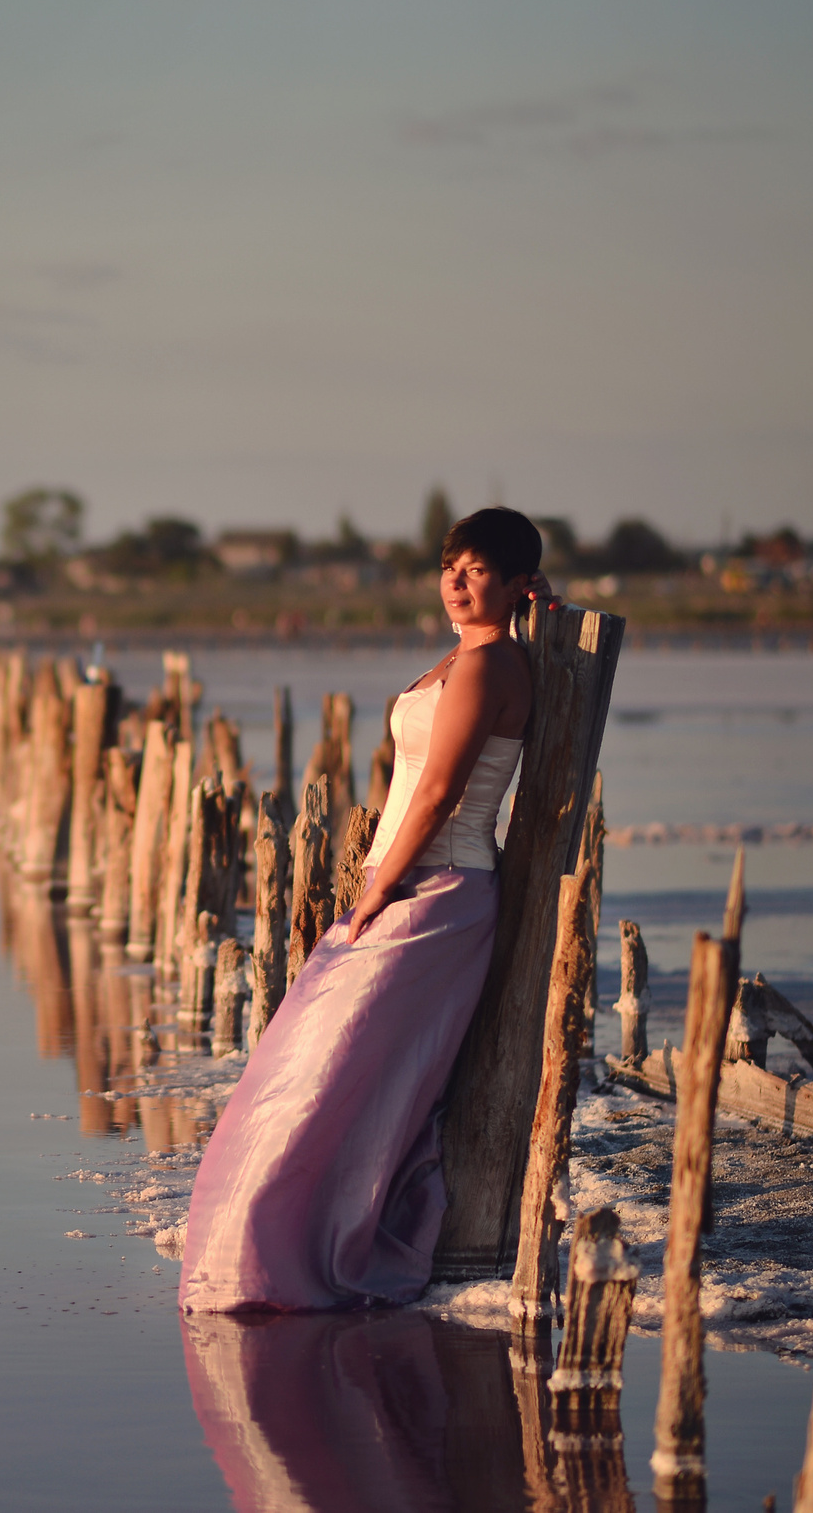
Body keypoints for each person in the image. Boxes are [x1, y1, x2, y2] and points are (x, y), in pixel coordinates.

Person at [177, 507, 551, 1311]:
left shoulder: (490, 665)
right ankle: (278, 1240)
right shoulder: (469, 655)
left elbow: (440, 794)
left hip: (434, 890)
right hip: (415, 880)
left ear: (518, 583)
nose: (456, 581)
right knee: (328, 1069)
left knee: (330, 1073)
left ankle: (299, 1249)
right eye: (450, 565)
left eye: (477, 569)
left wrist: (376, 891)